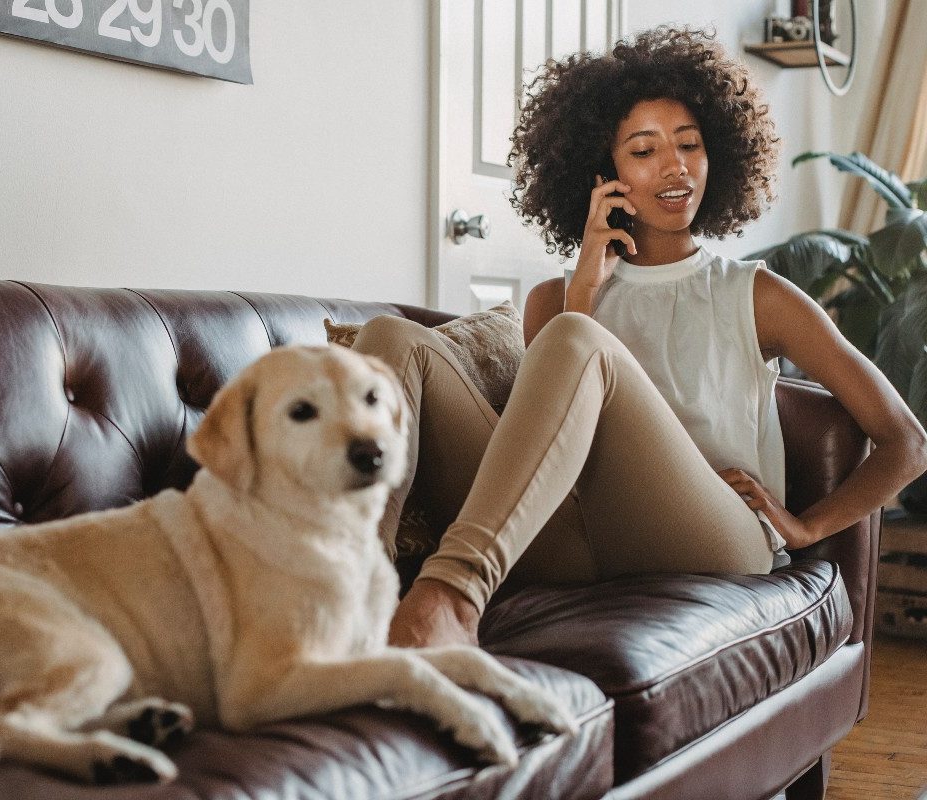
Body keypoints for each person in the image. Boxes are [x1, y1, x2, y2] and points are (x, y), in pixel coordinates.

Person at [351, 26, 927, 648]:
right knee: (391, 341)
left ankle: (453, 595)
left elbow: (906, 441)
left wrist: (807, 528)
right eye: (644, 149)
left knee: (577, 341)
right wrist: (585, 292)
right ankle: (359, 590)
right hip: (575, 538)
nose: (675, 166)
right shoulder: (558, 301)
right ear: (605, 173)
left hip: (711, 538)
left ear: (719, 158)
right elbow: (536, 452)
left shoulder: (757, 295)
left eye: (690, 144)